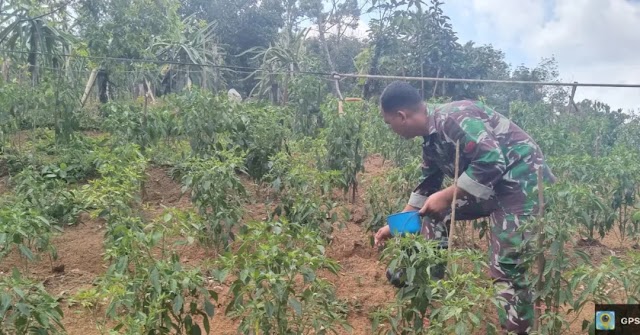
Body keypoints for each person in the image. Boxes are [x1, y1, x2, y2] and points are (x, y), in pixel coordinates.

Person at [373, 81, 556, 335]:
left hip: (521, 183)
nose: (390, 128)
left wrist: (447, 196)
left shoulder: (453, 118)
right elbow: (426, 189)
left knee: (507, 264)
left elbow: (492, 160)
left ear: (401, 116)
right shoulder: (430, 139)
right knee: (432, 211)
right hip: (491, 185)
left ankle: (518, 329)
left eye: (388, 122)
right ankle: (428, 283)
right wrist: (393, 226)